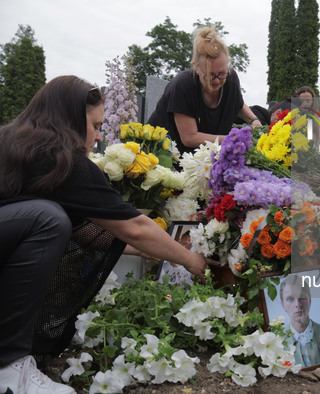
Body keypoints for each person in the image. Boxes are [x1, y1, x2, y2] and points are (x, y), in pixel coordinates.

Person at [0, 76, 214, 393]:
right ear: (71, 119)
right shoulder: (60, 157)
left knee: (51, 219)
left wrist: (136, 250)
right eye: (96, 125)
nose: (99, 136)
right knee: (48, 219)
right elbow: (133, 227)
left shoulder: (19, 142)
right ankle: (8, 369)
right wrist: (192, 260)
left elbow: (72, 232)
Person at [147, 27, 262, 156]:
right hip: (161, 152)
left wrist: (254, 120)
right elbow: (189, 138)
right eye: (210, 75)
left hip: (201, 155)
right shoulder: (183, 86)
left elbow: (238, 104)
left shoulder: (231, 78)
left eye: (222, 73)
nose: (217, 81)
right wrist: (233, 139)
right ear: (196, 67)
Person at [279, 274, 320, 367]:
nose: (298, 304)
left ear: (310, 299)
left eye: (302, 297)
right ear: (283, 305)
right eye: (290, 299)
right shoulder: (278, 343)